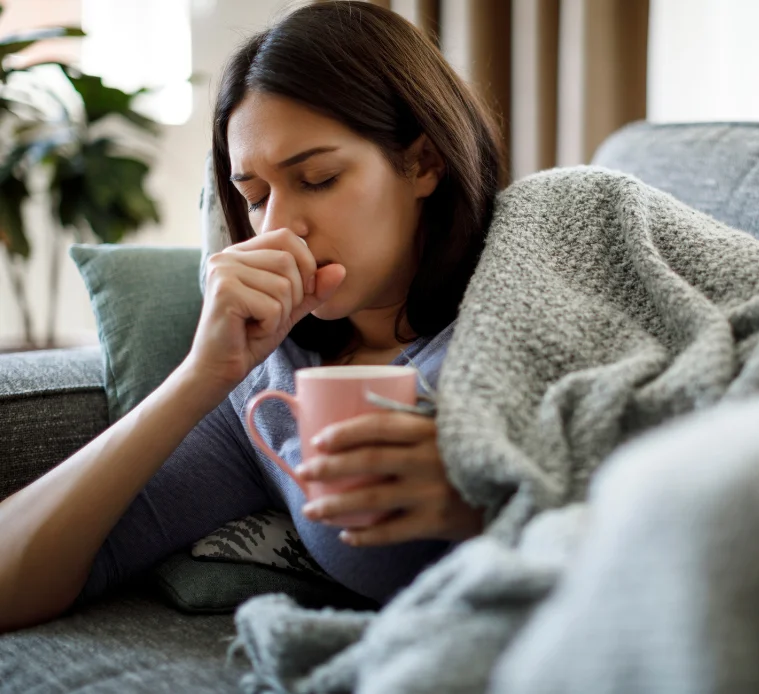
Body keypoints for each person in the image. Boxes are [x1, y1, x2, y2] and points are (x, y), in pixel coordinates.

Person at [0, 1, 502, 632]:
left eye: (317, 178)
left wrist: (494, 499)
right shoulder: (269, 395)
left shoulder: (530, 290)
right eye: (256, 198)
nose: (278, 227)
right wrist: (198, 378)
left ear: (423, 163)